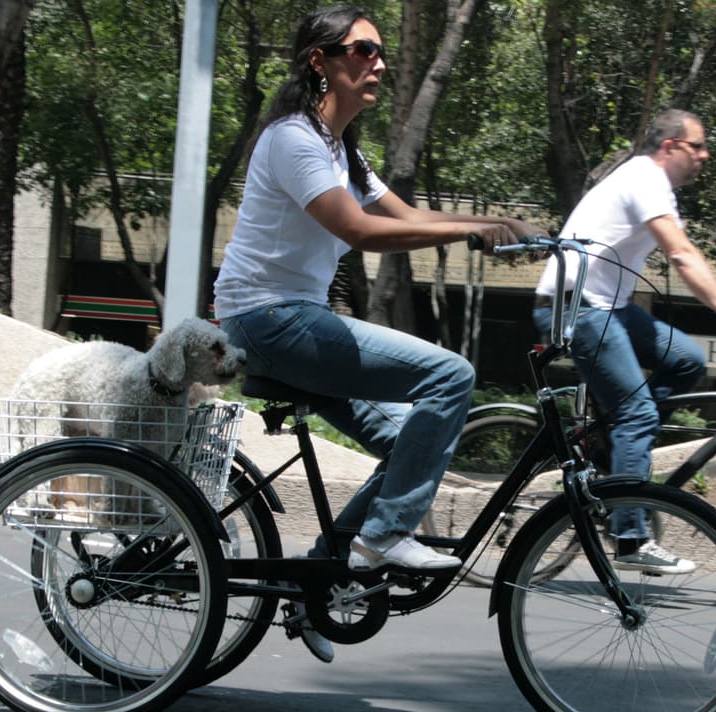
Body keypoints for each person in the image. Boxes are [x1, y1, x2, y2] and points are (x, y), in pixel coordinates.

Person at [214, 5, 543, 661]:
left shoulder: (343, 152)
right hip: (267, 318)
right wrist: (470, 229)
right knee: (450, 377)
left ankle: (326, 573)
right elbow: (361, 231)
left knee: (409, 442)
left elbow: (407, 215)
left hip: (298, 319)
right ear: (321, 61)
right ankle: (382, 537)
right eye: (363, 51)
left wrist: (496, 225)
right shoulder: (293, 140)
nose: (379, 65)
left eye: (381, 54)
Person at [532, 109, 716, 575]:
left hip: (605, 307)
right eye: (697, 145)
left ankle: (613, 459)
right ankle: (631, 536)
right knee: (638, 413)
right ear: (669, 146)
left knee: (686, 360)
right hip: (576, 307)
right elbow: (681, 253)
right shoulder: (645, 179)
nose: (705, 154)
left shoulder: (652, 182)